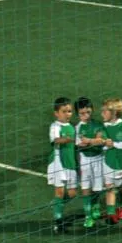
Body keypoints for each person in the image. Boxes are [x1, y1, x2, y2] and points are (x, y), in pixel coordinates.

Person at [101, 98, 122, 224]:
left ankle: (120, 208)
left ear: (114, 113)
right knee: (110, 188)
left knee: (121, 189)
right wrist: (103, 143)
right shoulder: (103, 127)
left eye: (105, 111)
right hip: (109, 164)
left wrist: (114, 144)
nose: (102, 114)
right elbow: (101, 145)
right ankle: (111, 214)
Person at [47, 97, 77, 233]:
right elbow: (56, 140)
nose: (68, 114)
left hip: (70, 163)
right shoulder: (55, 126)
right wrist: (68, 139)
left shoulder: (72, 127)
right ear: (56, 113)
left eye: (70, 111)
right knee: (60, 192)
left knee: (72, 193)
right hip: (58, 163)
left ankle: (56, 205)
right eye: (64, 111)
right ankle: (58, 222)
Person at [75, 96, 105, 228]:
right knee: (86, 188)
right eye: (82, 113)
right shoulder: (77, 128)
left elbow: (100, 141)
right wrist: (93, 142)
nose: (85, 116)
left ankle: (96, 206)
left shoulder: (98, 125)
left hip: (99, 159)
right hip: (85, 161)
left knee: (97, 188)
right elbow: (79, 146)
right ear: (78, 114)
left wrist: (88, 141)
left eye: (88, 112)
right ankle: (88, 216)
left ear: (92, 110)